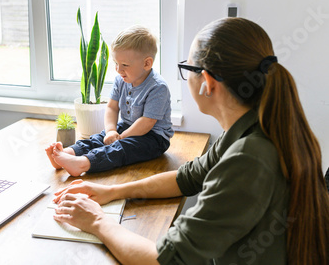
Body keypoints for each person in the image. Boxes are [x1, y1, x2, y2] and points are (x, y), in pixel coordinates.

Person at [52, 18, 329, 264]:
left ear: (207, 82)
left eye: (187, 68)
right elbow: (185, 178)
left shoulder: (249, 157)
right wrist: (112, 192)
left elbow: (164, 260)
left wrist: (98, 221)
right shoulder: (250, 129)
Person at [46, 25, 173, 176]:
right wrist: (111, 131)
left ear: (147, 63)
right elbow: (112, 107)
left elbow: (146, 123)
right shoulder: (121, 79)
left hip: (154, 138)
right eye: (116, 63)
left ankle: (83, 164)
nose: (118, 70)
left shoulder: (158, 87)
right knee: (100, 137)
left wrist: (120, 137)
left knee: (120, 148)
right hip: (127, 127)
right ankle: (69, 153)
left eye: (125, 65)